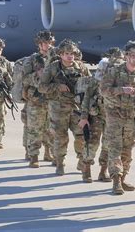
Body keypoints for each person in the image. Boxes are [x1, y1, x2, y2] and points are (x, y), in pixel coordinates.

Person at [100, 40, 135, 194]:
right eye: (133, 56)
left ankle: (123, 177)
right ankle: (116, 180)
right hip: (114, 115)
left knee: (128, 148)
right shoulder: (114, 71)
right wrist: (121, 90)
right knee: (115, 147)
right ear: (126, 56)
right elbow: (103, 90)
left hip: (130, 117)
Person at [39, 39, 90, 175]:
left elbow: (91, 86)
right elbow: (42, 87)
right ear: (61, 54)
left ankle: (81, 161)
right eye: (67, 53)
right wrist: (57, 87)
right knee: (60, 137)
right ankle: (60, 163)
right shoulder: (53, 68)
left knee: (81, 136)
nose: (70, 56)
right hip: (58, 108)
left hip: (76, 108)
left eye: (72, 53)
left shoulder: (81, 68)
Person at [23, 30, 55, 167]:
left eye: (49, 43)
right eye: (44, 43)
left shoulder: (56, 59)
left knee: (52, 129)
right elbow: (24, 78)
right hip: (36, 100)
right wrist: (37, 75)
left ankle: (50, 153)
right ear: (39, 44)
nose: (47, 45)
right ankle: (34, 155)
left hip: (52, 99)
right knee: (35, 129)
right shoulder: (32, 59)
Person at [77, 58, 110, 183]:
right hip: (95, 116)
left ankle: (103, 171)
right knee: (91, 144)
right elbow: (86, 99)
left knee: (108, 145)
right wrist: (84, 117)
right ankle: (87, 169)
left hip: (111, 118)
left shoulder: (115, 81)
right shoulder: (94, 82)